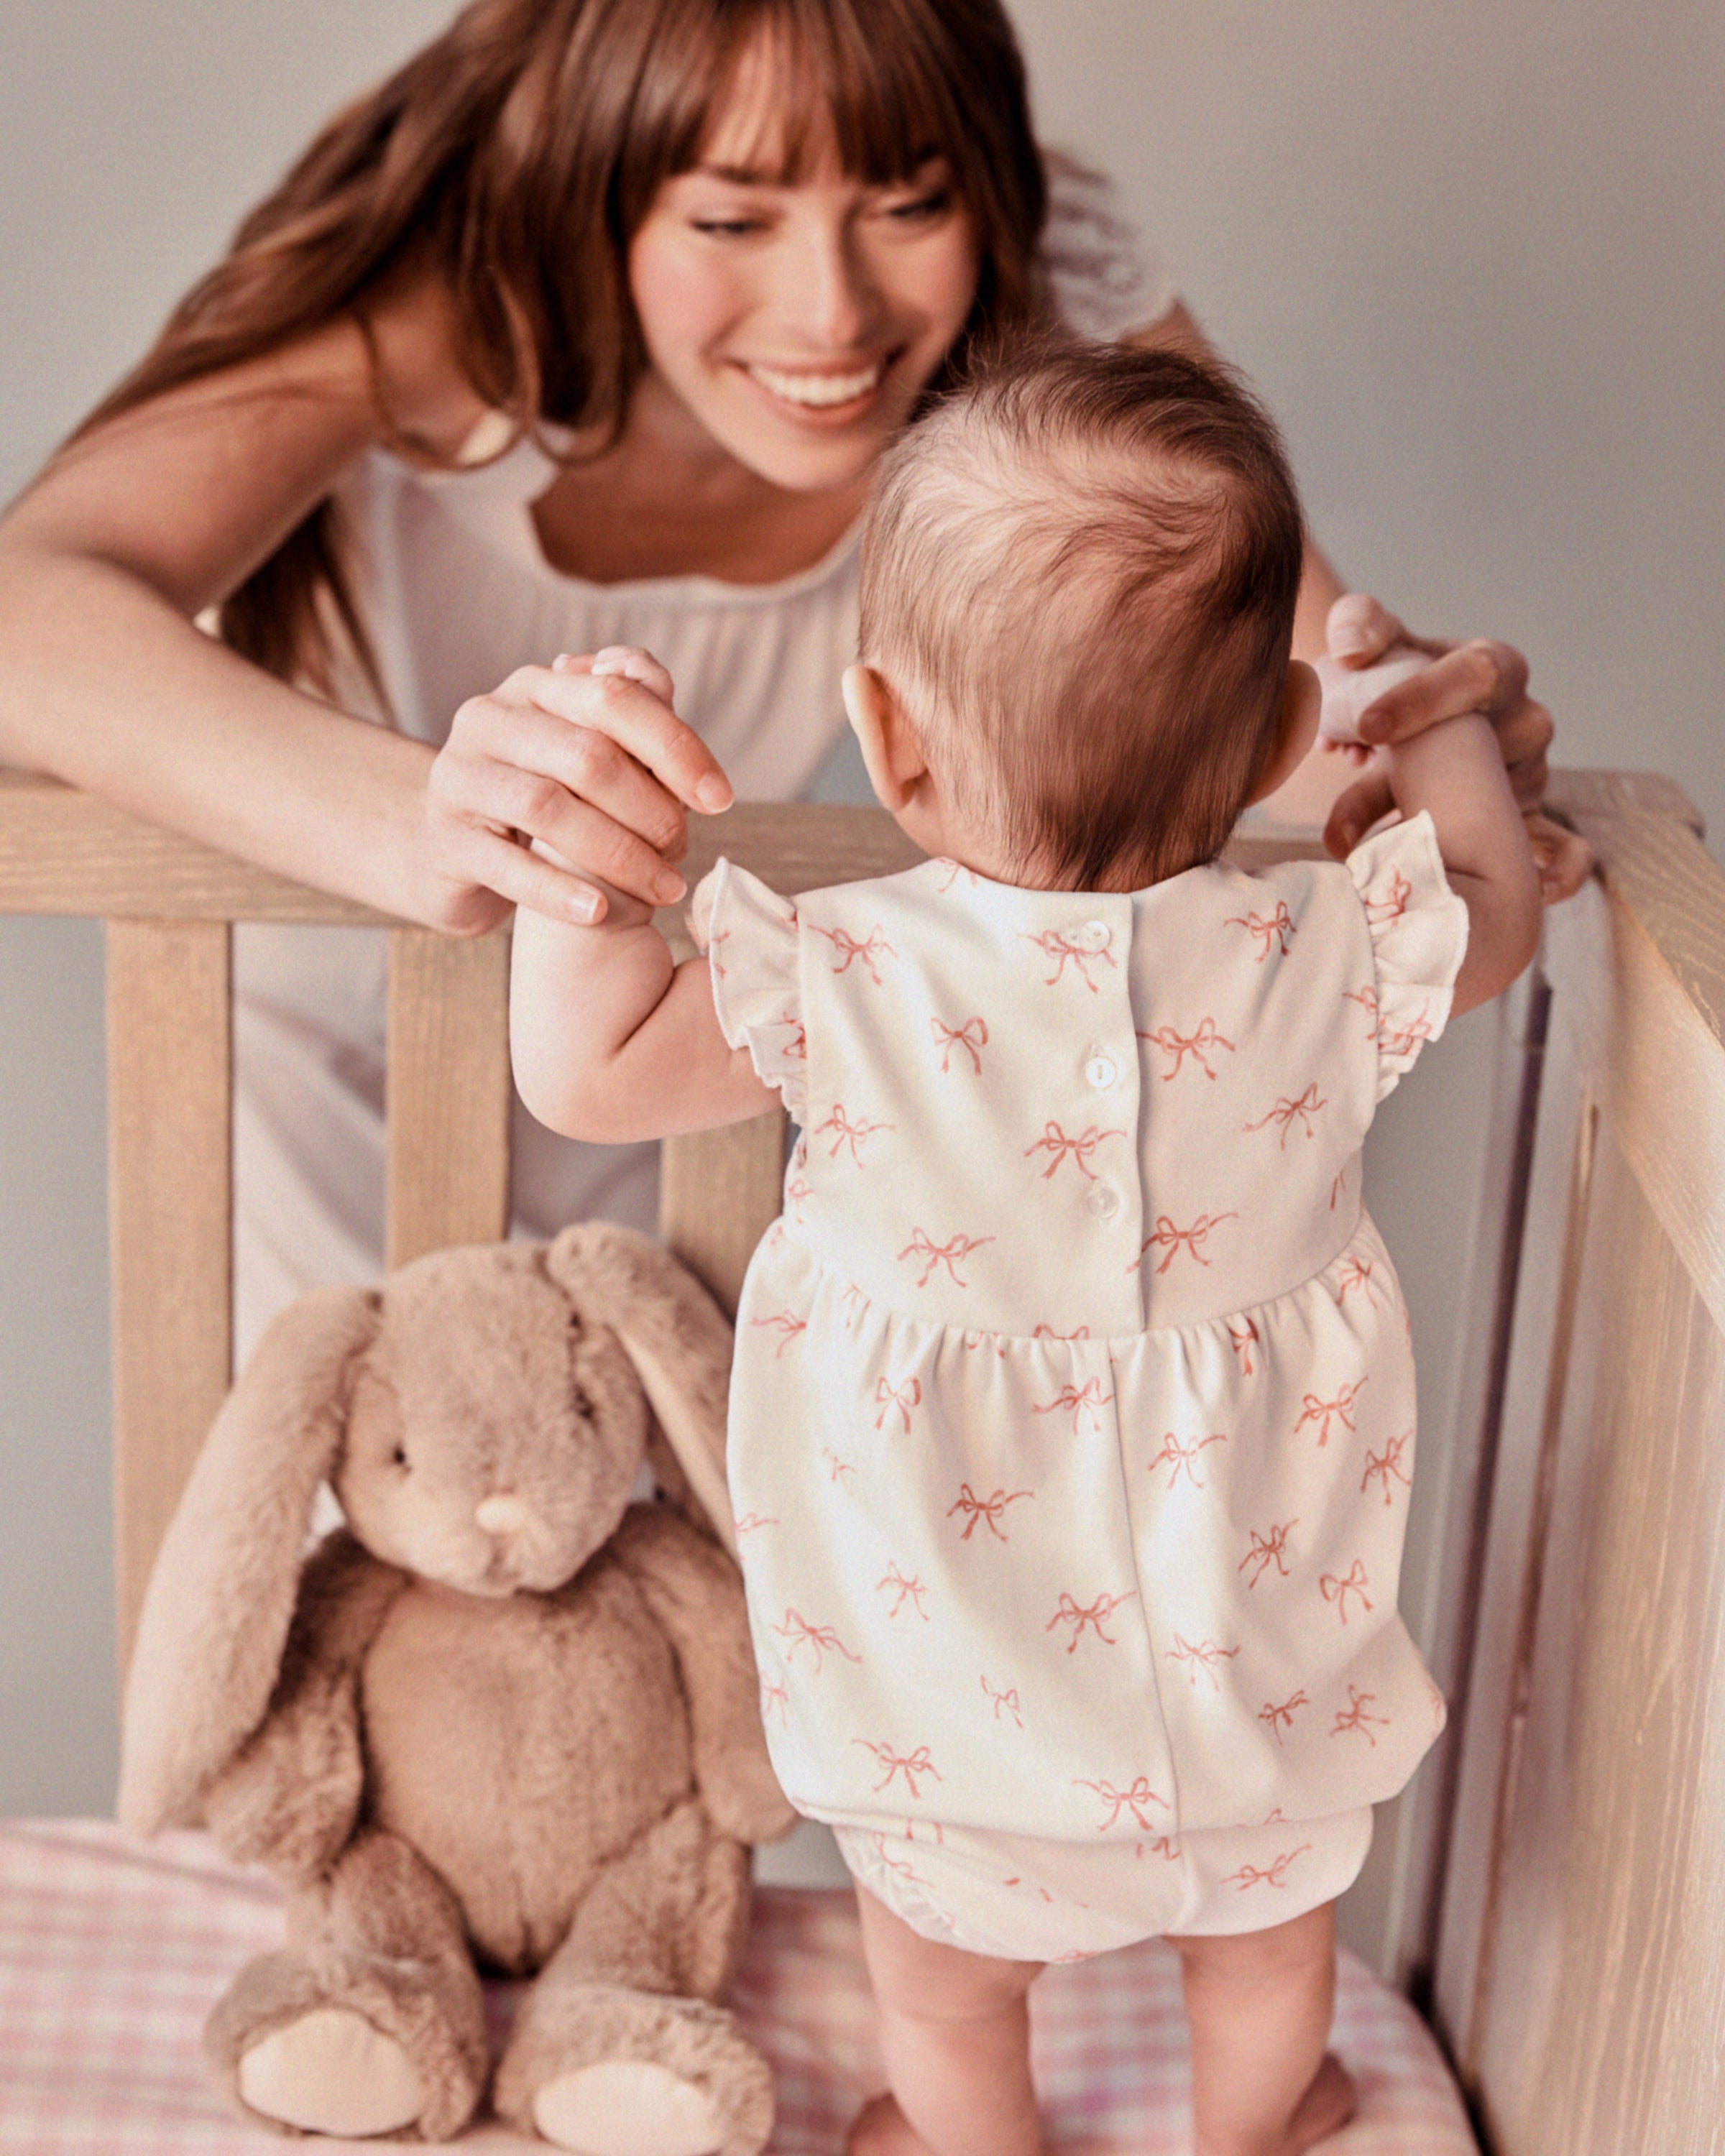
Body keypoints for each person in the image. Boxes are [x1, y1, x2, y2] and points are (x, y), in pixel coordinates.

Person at [0, 0, 1580, 1355]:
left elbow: (1255, 701)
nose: (834, 313)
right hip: (332, 1050)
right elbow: (24, 611)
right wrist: (440, 818)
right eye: (730, 218)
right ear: (599, 195)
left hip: (669, 1037)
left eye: (907, 204)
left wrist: (1419, 738)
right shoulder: (461, 288)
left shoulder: (1043, 268)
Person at [507, 343, 1544, 2156]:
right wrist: (1424, 712)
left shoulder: (854, 978)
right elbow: (1500, 906)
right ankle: (1265, 2117)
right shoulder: (1321, 953)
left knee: (947, 1980)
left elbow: (583, 1074)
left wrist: (577, 862)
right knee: (1266, 1933)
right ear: (1283, 745)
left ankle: (968, 2133)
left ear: (889, 739)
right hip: (1258, 1650)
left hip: (955, 1683)